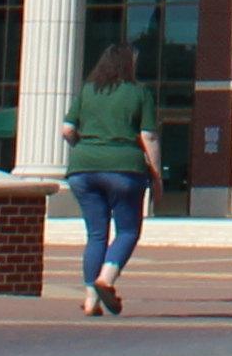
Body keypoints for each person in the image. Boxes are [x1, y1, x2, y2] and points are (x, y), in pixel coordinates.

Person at [61, 43, 166, 316]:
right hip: (124, 168)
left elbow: (67, 129)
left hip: (83, 169)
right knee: (128, 231)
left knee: (96, 234)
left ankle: (90, 301)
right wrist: (156, 174)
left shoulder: (87, 90)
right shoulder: (139, 92)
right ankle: (105, 280)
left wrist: (84, 147)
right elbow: (148, 136)